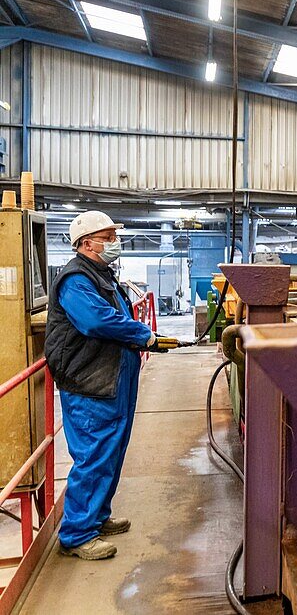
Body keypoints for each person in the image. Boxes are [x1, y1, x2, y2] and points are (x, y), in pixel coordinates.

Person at [44, 210, 179, 560]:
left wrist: (146, 340)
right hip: (91, 383)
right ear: (87, 243)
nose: (114, 243)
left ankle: (96, 517)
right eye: (108, 237)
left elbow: (117, 318)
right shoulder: (75, 279)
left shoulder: (101, 274)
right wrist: (142, 335)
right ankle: (76, 535)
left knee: (111, 453)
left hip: (113, 379)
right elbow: (96, 321)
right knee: (93, 455)